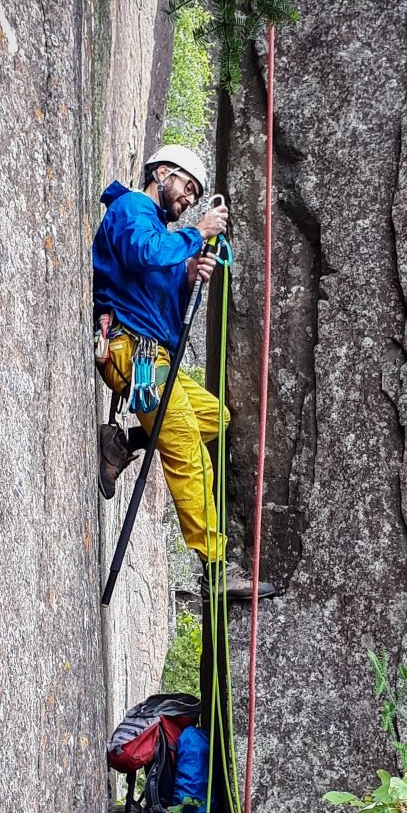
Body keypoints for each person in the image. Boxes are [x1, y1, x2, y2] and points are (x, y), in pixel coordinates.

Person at [92, 144, 274, 599]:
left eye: (194, 195)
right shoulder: (131, 208)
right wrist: (197, 234)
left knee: (217, 418)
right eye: (186, 188)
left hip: (156, 358)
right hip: (135, 356)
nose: (189, 200)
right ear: (161, 172)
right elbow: (144, 253)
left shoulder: (157, 230)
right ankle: (214, 569)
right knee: (187, 450)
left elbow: (160, 285)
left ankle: (124, 442)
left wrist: (190, 273)